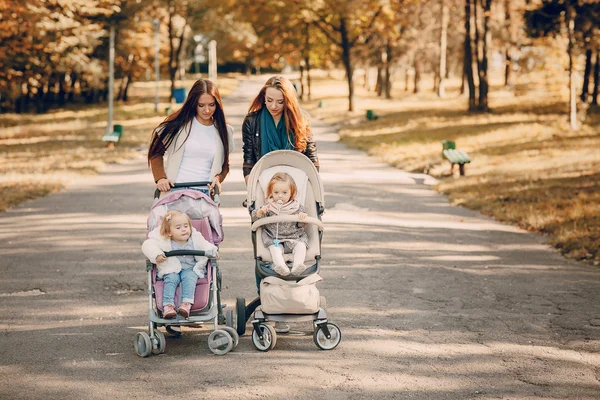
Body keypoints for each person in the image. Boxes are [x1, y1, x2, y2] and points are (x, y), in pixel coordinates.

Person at [148, 79, 234, 197]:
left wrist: (218, 179)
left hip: (205, 194)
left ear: (217, 104)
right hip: (175, 191)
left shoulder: (224, 131)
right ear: (193, 103)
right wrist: (161, 178)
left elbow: (225, 165)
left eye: (211, 105)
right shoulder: (177, 126)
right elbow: (155, 153)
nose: (207, 110)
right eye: (201, 105)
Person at [142, 210, 219, 319]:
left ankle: (186, 304)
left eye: (186, 226)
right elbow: (148, 245)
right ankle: (168, 306)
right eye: (178, 228)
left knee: (190, 277)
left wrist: (213, 251)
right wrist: (157, 254)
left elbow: (205, 245)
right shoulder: (163, 240)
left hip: (190, 268)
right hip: (171, 268)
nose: (183, 230)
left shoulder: (195, 238)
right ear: (169, 232)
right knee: (171, 279)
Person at [242, 75, 319, 185]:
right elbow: (248, 159)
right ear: (263, 97)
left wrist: (313, 188)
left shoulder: (301, 120)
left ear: (288, 101)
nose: (273, 106)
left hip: (297, 182)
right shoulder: (252, 121)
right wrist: (252, 190)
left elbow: (311, 157)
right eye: (269, 100)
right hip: (264, 182)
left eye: (280, 102)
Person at [251, 172, 309, 277]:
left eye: (284, 192)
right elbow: (254, 218)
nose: (280, 196)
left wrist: (302, 218)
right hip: (275, 238)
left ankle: (298, 265)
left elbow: (301, 225)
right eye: (276, 192)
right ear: (271, 192)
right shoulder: (269, 206)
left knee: (301, 246)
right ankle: (280, 266)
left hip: (294, 237)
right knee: (274, 249)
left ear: (292, 193)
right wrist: (260, 212)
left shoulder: (297, 207)